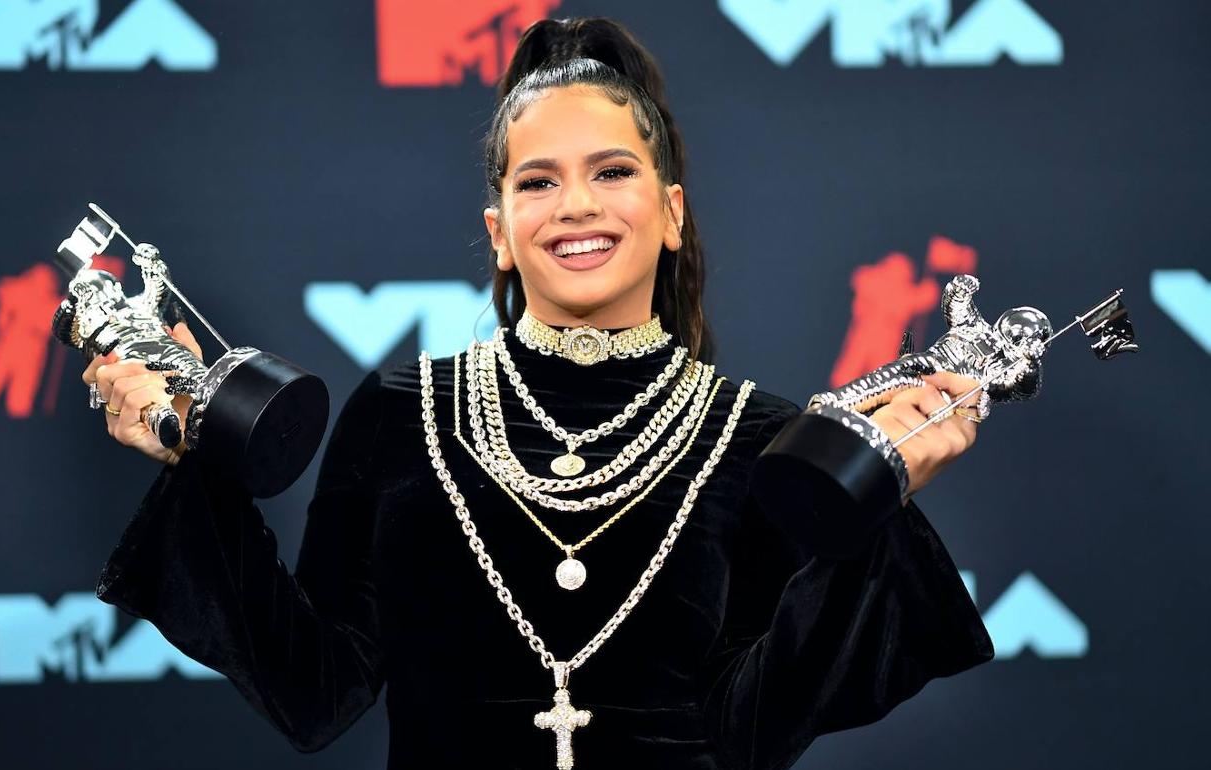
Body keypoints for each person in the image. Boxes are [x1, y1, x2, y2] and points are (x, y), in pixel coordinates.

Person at [82, 17, 992, 770]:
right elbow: (314, 691)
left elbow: (753, 730)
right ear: (501, 233)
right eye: (538, 181)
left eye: (612, 171)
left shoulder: (759, 437)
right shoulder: (401, 415)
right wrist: (197, 456)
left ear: (671, 212)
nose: (576, 206)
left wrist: (872, 503)